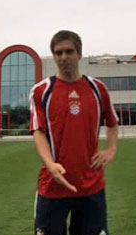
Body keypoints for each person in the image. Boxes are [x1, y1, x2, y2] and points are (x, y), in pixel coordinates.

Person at [29, 30, 119, 235]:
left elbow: (112, 123)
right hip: (53, 185)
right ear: (53, 57)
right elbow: (38, 130)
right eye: (58, 53)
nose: (64, 57)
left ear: (79, 54)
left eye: (69, 51)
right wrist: (50, 164)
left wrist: (111, 150)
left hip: (91, 186)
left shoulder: (98, 88)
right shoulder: (41, 91)